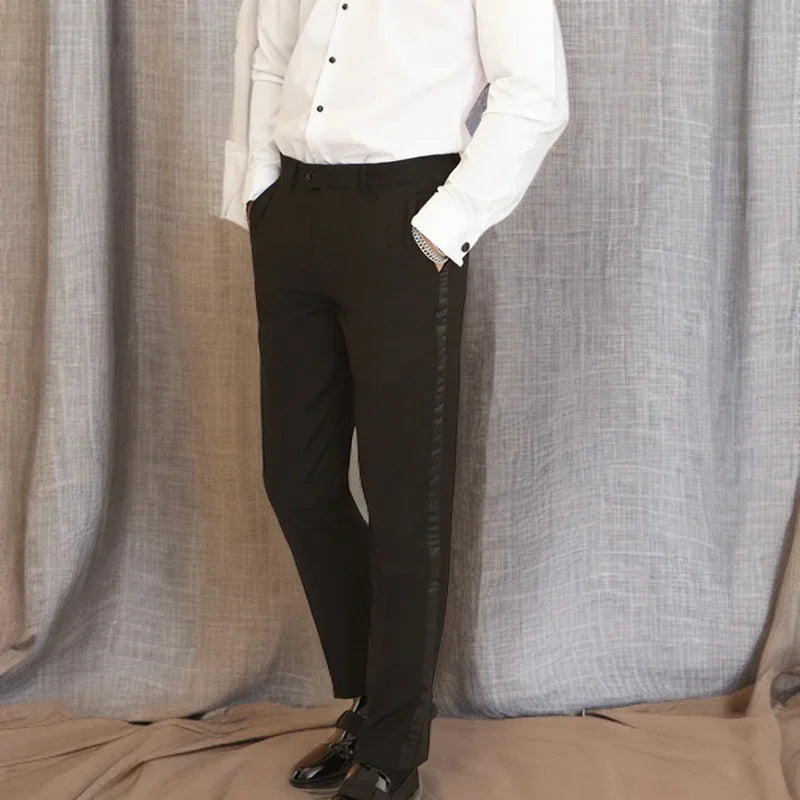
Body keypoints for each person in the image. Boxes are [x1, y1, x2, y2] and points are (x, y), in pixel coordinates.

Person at [239, 2, 569, 798]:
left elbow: (535, 93)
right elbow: (268, 53)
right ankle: (376, 697)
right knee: (298, 481)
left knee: (404, 499)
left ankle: (393, 745)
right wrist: (258, 187)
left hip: (404, 215)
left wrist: (442, 226)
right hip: (294, 209)